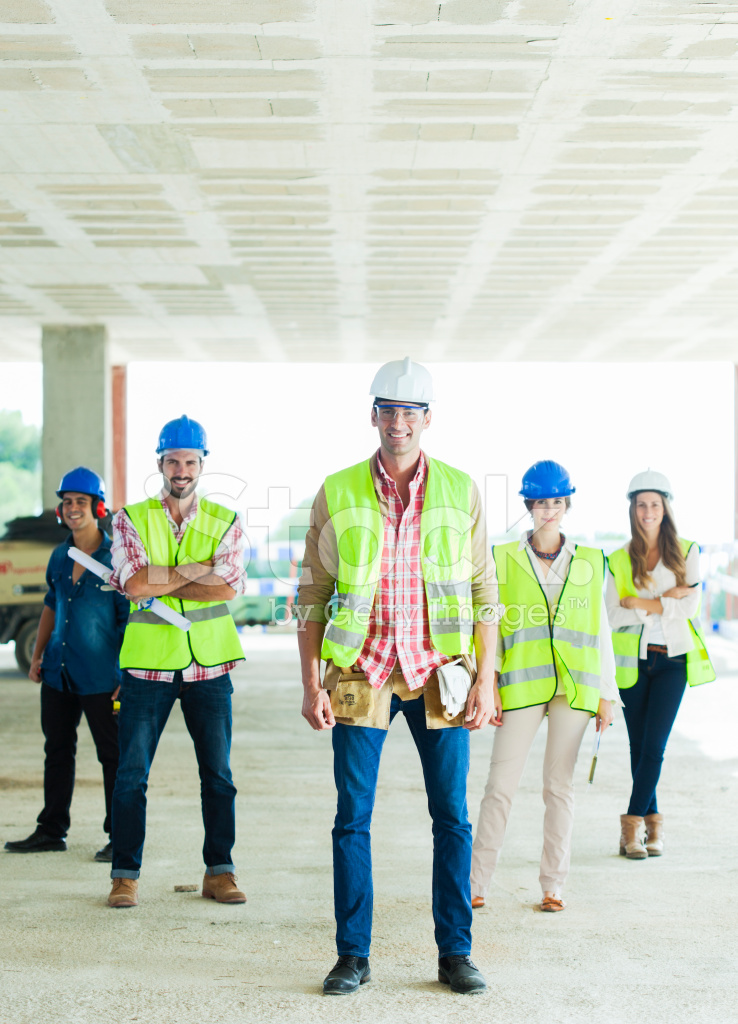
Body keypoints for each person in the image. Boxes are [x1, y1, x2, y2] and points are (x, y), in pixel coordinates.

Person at [297, 357, 500, 996]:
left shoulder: (461, 489)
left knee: (452, 818)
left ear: (427, 419)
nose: (399, 424)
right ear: (375, 415)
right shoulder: (338, 489)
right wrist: (311, 682)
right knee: (352, 817)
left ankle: (455, 954)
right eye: (388, 411)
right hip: (364, 668)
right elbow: (312, 592)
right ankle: (352, 955)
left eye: (410, 412)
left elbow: (484, 587)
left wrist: (487, 678)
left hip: (439, 671)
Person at [105, 415, 247, 909]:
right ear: (160, 463)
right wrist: (197, 568)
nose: (181, 469)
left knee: (219, 777)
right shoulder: (129, 518)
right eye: (173, 461)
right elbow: (135, 583)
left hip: (210, 668)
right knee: (131, 776)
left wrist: (163, 574)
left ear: (202, 464)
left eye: (190, 461)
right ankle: (125, 876)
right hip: (147, 669)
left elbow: (228, 586)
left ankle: (220, 871)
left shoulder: (225, 520)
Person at [470, 461, 617, 913]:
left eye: (556, 502)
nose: (548, 510)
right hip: (520, 688)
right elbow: (488, 625)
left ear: (566, 504)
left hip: (575, 689)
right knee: (500, 785)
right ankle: (475, 884)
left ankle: (553, 886)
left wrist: (607, 696)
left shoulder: (592, 561)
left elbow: (602, 630)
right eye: (540, 502)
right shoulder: (501, 558)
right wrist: (487, 685)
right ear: (529, 506)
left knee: (559, 788)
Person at [4, 467, 128, 862]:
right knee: (57, 749)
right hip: (59, 672)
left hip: (101, 676)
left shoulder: (116, 560)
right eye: (67, 502)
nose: (72, 508)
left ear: (98, 507)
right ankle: (51, 829)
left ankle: (120, 835)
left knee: (113, 756)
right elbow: (51, 606)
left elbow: (129, 622)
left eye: (81, 502)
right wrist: (38, 654)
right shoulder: (60, 555)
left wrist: (128, 673)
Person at [606, 470, 714, 859]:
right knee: (639, 747)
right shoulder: (619, 558)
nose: (648, 511)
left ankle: (631, 827)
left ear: (665, 508)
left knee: (654, 747)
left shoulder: (688, 551)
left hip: (673, 662)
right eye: (641, 504)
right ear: (632, 510)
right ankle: (654, 828)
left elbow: (691, 607)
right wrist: (663, 603)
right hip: (634, 663)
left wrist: (640, 603)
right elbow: (612, 615)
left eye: (654, 504)